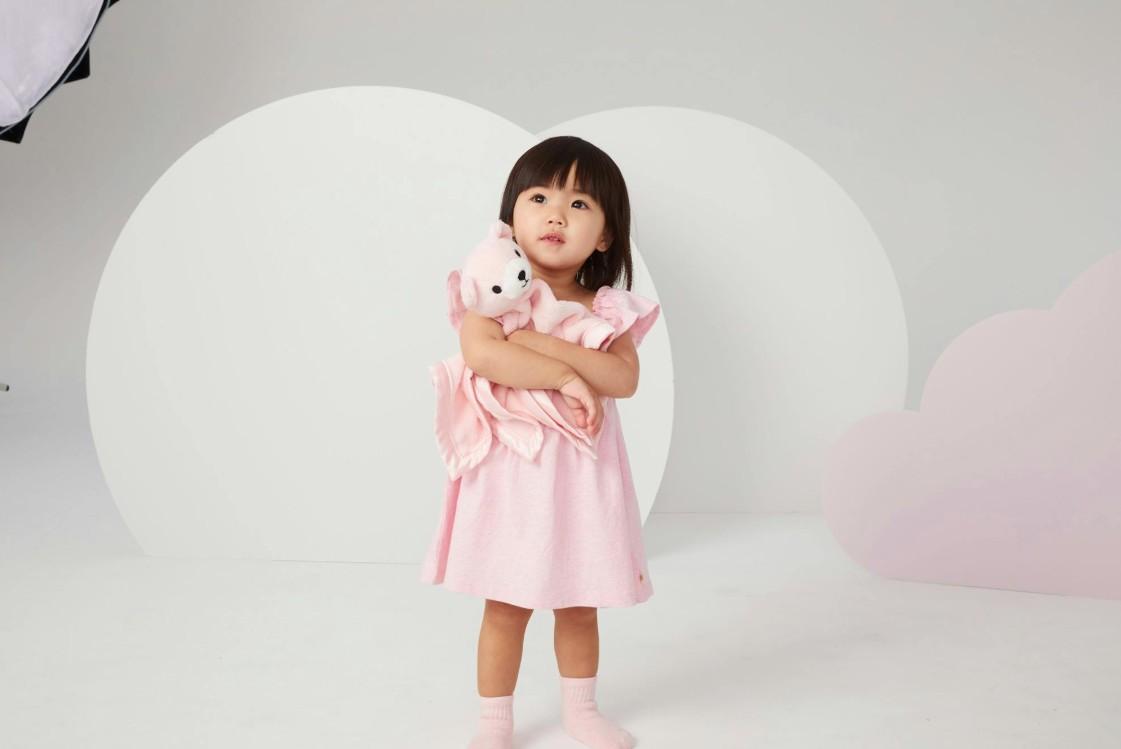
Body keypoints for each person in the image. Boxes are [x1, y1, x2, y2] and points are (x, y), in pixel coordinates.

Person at [420, 135, 661, 749]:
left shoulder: (605, 309)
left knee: (579, 602)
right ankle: (494, 723)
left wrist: (539, 345)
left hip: (582, 480)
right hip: (514, 477)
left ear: (605, 236)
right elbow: (483, 354)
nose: (556, 215)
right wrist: (564, 375)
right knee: (506, 605)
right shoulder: (497, 295)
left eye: (579, 204)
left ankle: (582, 711)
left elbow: (623, 378)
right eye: (539, 199)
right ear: (510, 220)